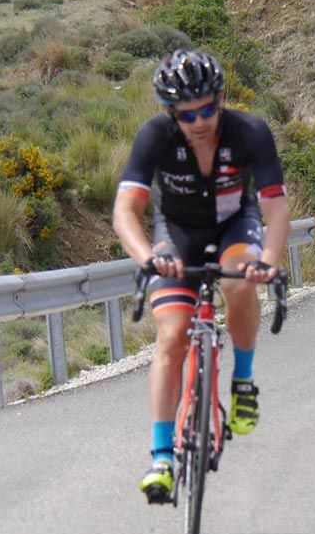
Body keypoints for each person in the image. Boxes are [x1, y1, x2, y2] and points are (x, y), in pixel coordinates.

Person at [112, 49, 289, 503]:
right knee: (171, 335)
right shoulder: (154, 136)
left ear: (222, 98)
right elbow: (125, 211)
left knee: (238, 280)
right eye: (187, 114)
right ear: (171, 113)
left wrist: (268, 258)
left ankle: (243, 382)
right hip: (177, 233)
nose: (200, 120)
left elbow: (274, 205)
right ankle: (161, 459)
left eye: (209, 108)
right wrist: (148, 256)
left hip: (235, 224)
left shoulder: (250, 132)